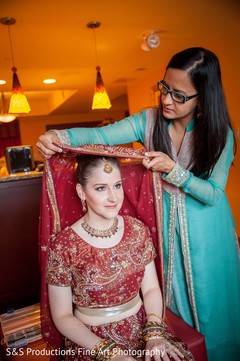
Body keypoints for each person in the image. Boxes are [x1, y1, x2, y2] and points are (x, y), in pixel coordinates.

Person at [37, 47, 240, 360]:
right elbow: (102, 135)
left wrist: (174, 171)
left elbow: (213, 193)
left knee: (213, 305)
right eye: (164, 89)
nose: (167, 101)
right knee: (172, 298)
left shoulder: (219, 133)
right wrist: (58, 135)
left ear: (203, 97)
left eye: (179, 95)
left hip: (208, 232)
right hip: (164, 225)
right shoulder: (149, 121)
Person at [46, 154, 192, 361]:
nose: (114, 197)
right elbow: (62, 316)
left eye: (117, 185)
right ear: (81, 191)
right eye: (100, 188)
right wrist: (111, 354)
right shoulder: (64, 245)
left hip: (143, 329)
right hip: (91, 341)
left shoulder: (137, 230)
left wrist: (154, 334)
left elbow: (150, 289)